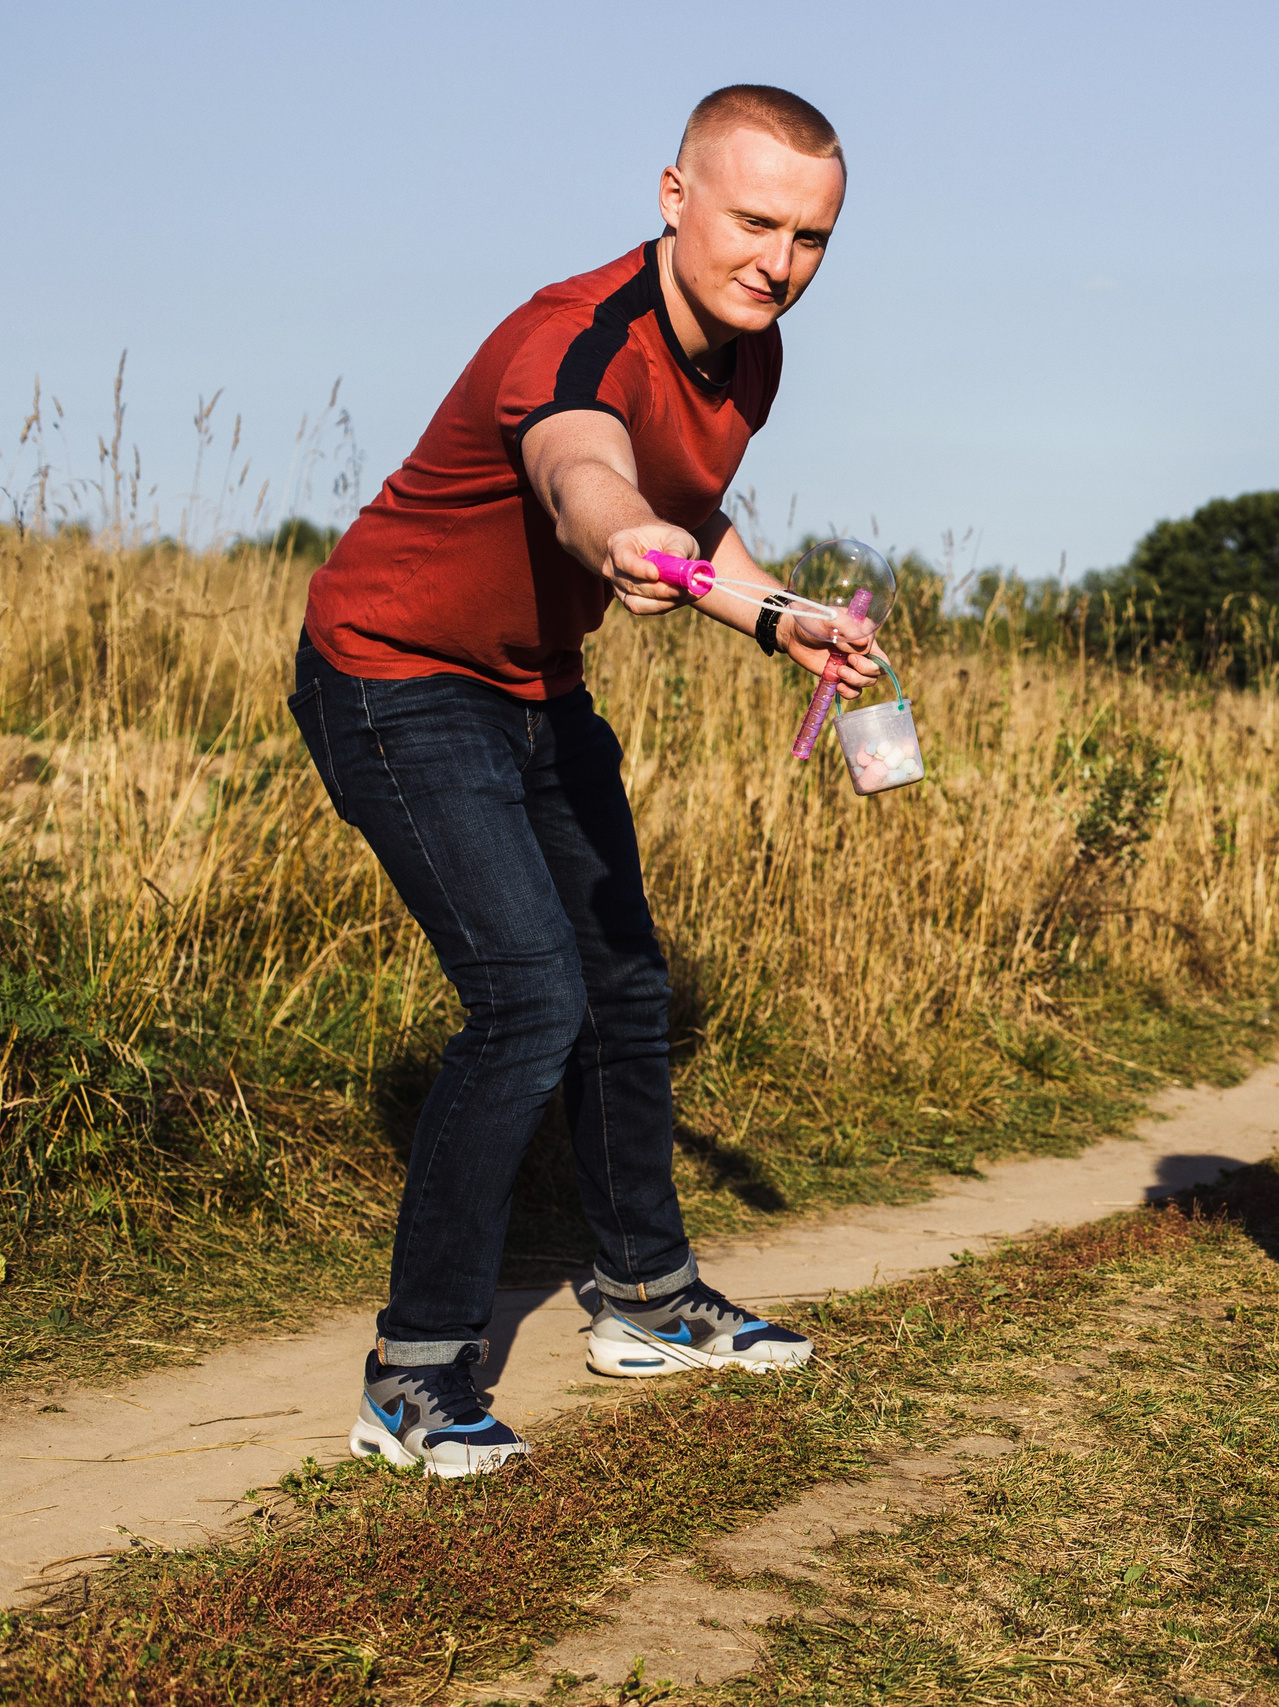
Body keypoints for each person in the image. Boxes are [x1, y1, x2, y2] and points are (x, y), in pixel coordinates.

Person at [289, 85, 878, 1477]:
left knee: (623, 985)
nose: (778, 263)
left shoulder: (751, 353)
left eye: (808, 238)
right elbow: (585, 467)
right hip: (395, 675)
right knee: (528, 998)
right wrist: (617, 539)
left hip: (535, 686)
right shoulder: (572, 334)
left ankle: (645, 1299)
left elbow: (691, 510)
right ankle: (414, 1374)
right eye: (753, 223)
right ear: (674, 195)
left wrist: (779, 617)